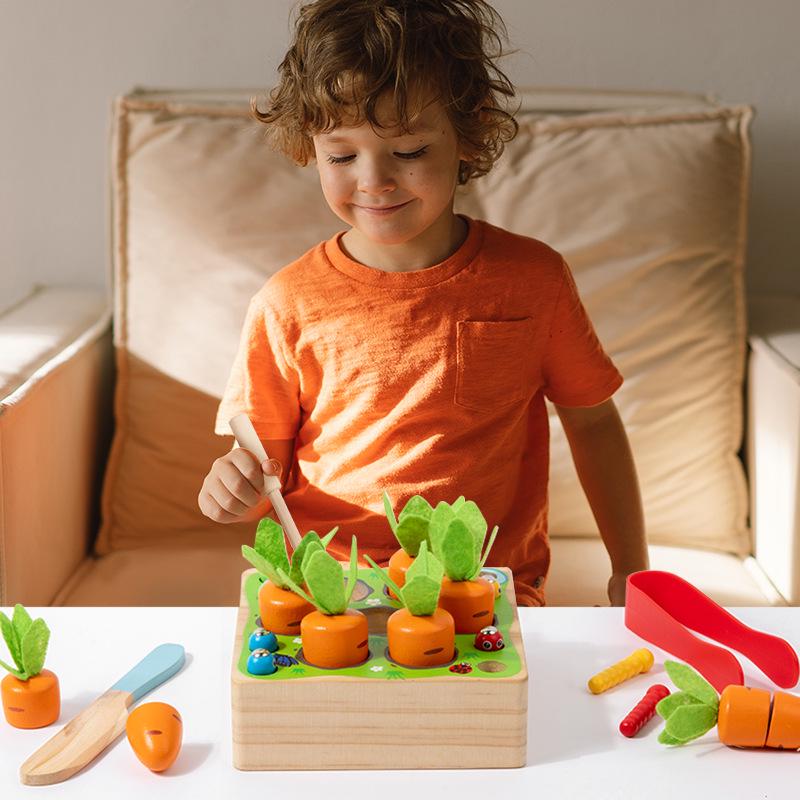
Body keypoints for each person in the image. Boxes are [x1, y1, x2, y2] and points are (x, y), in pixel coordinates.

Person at [198, 0, 649, 606]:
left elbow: (593, 423)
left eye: (408, 151)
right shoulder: (286, 302)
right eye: (341, 155)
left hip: (486, 590)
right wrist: (233, 486)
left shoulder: (534, 279)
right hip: (330, 594)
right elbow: (263, 473)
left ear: (468, 134)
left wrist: (631, 572)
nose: (374, 180)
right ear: (311, 146)